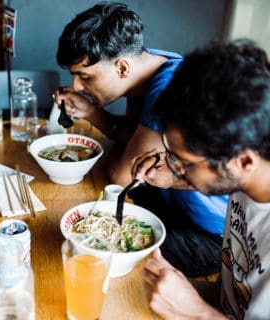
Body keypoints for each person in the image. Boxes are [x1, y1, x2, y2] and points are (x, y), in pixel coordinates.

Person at [54, 1, 227, 277]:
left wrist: (121, 153)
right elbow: (131, 135)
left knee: (95, 250)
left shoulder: (169, 87)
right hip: (168, 202)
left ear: (122, 68)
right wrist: (91, 112)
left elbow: (121, 177)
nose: (76, 86)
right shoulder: (150, 63)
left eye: (84, 76)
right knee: (80, 222)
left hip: (211, 236)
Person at [133, 40, 270, 319]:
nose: (174, 166)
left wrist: (197, 313)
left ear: (243, 161)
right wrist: (173, 177)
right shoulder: (249, 175)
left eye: (183, 162)